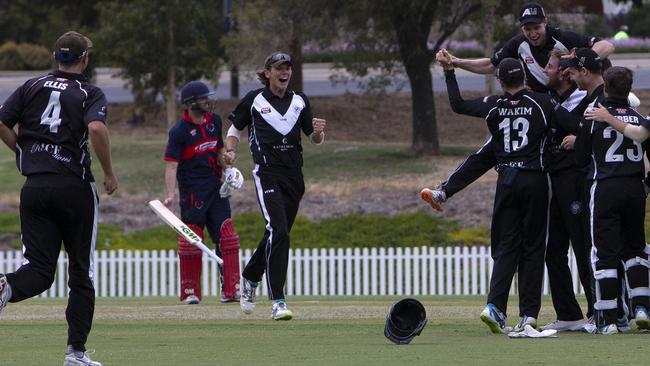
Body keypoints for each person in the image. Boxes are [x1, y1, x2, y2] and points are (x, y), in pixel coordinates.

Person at [426, 49, 596, 331]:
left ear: (501, 81)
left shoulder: (493, 104)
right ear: (525, 78)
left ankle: (494, 307)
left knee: (506, 246)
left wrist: (449, 71)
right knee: (533, 248)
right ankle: (529, 315)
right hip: (535, 181)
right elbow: (572, 124)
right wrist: (580, 135)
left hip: (506, 179)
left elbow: (457, 105)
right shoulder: (542, 102)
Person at [0, 31, 117, 366]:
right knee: (81, 272)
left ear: (55, 57)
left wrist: (24, 150)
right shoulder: (88, 91)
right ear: (85, 59)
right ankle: (75, 354)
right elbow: (96, 129)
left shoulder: (31, 86)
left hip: (35, 188)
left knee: (38, 269)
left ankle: (5, 286)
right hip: (74, 188)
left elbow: (2, 120)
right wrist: (108, 172)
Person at [225, 51, 326, 320]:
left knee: (276, 234)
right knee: (280, 231)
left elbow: (313, 138)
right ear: (268, 72)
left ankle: (249, 276)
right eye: (279, 68)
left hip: (294, 177)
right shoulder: (254, 100)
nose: (285, 72)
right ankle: (278, 301)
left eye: (288, 68)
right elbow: (234, 129)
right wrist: (231, 152)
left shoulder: (300, 101)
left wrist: (317, 132)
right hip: (266, 174)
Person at [572, 64, 650, 334]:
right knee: (635, 250)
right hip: (635, 188)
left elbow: (580, 157)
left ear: (604, 87)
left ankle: (607, 319)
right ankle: (641, 308)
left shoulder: (594, 116)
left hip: (605, 185)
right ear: (629, 90)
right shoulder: (639, 117)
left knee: (604, 254)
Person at [163, 80, 243, 305]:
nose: (207, 101)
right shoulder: (179, 132)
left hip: (216, 188)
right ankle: (190, 291)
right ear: (190, 103)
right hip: (192, 193)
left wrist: (227, 164)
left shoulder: (214, 121)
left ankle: (231, 290)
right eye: (202, 99)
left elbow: (218, 149)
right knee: (191, 240)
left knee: (227, 236)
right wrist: (170, 194)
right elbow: (171, 165)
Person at [439, 2, 614, 93]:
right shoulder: (517, 43)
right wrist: (457, 62)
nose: (532, 34)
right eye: (527, 29)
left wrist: (575, 61)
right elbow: (491, 65)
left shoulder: (563, 37)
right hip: (539, 103)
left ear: (545, 22)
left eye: (536, 28)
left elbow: (606, 46)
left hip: (570, 101)